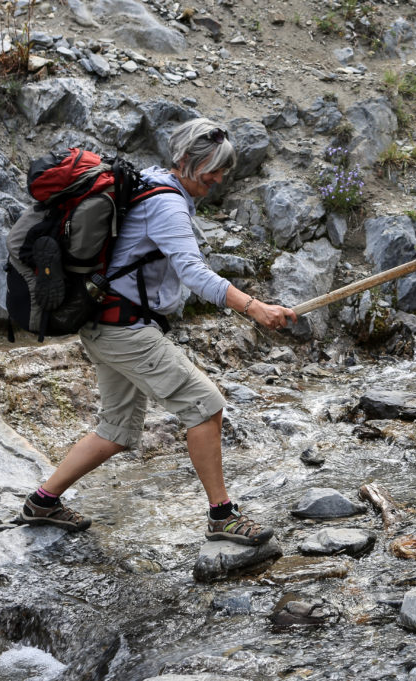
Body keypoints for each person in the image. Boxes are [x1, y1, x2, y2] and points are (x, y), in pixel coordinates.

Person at [19, 118, 297, 546]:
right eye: (213, 168)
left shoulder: (151, 182)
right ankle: (222, 515)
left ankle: (42, 502)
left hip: (105, 324)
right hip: (125, 329)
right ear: (186, 160)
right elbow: (192, 271)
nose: (220, 178)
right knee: (205, 406)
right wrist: (254, 307)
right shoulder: (167, 203)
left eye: (225, 169)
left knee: (115, 429)